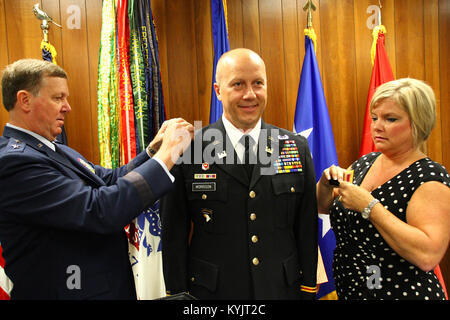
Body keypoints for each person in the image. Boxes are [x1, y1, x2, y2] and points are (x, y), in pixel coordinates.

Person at [0, 59, 194, 299]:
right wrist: (167, 156)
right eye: (58, 98)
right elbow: (100, 209)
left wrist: (153, 151)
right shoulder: (14, 163)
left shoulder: (52, 148)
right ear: (25, 100)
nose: (67, 107)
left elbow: (109, 180)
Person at [160, 48, 318, 300]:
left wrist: (308, 287)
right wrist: (177, 294)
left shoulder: (293, 147)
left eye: (258, 83)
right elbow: (173, 233)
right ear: (218, 91)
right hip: (213, 293)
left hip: (280, 290)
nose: (250, 94)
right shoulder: (189, 147)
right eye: (237, 84)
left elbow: (306, 227)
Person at [317, 78, 450, 300]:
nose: (377, 126)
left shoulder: (429, 177)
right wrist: (324, 184)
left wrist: (370, 207)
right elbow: (324, 207)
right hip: (353, 291)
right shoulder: (365, 162)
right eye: (374, 118)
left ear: (418, 123)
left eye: (390, 119)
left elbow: (427, 255)